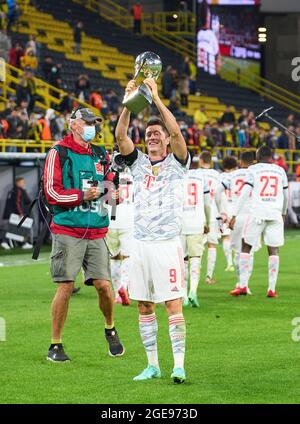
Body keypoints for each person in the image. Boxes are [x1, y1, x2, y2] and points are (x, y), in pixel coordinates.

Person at [116, 78, 190, 383]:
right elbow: (121, 135)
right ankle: (152, 364)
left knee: (172, 303)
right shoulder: (139, 163)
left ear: (167, 141)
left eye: (157, 133)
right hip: (141, 244)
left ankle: (179, 364)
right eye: (149, 134)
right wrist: (129, 101)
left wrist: (156, 98)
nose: (153, 137)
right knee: (144, 304)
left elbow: (176, 131)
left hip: (166, 244)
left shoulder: (178, 162)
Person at [43, 107, 125, 362]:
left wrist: (114, 194)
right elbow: (51, 192)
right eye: (88, 122)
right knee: (65, 286)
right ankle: (55, 344)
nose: (93, 127)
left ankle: (110, 327)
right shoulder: (59, 152)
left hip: (97, 228)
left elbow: (111, 181)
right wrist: (81, 195)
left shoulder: (101, 153)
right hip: (68, 227)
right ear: (73, 125)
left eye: (95, 122)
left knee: (104, 285)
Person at [229, 146, 289, 297]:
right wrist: (283, 212)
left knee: (246, 246)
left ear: (258, 156)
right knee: (273, 249)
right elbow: (286, 194)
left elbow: (245, 193)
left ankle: (242, 285)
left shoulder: (253, 170)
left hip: (257, 213)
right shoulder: (280, 170)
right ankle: (271, 289)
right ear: (271, 156)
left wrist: (234, 214)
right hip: (275, 213)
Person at [215, 151, 256, 294]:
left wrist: (222, 212)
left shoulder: (232, 175)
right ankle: (245, 285)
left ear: (241, 162)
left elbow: (217, 191)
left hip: (234, 216)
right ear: (253, 162)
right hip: (251, 214)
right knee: (249, 252)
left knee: (238, 252)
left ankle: (239, 283)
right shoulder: (255, 174)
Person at [181, 165, 211, 307]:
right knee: (195, 258)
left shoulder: (173, 174)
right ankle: (193, 291)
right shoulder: (200, 177)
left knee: (181, 260)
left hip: (179, 223)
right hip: (196, 221)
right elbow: (207, 203)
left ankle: (183, 295)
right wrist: (208, 221)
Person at [199, 151, 221, 285]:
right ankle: (208, 276)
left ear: (201, 161)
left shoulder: (195, 174)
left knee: (195, 246)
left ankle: (195, 269)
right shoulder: (217, 175)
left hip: (197, 214)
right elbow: (219, 195)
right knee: (212, 245)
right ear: (210, 162)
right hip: (213, 212)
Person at [2, 177, 33, 249]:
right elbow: (17, 203)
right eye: (22, 182)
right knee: (17, 228)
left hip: (11, 213)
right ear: (17, 183)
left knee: (13, 228)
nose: (23, 184)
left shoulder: (12, 190)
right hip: (16, 213)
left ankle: (19, 243)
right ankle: (7, 242)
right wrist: (20, 212)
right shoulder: (18, 190)